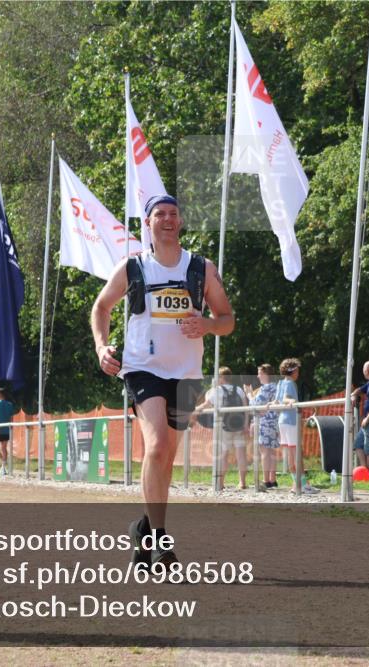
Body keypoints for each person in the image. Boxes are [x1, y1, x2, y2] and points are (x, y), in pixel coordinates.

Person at [91, 194, 233, 568]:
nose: (167, 220)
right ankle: (160, 540)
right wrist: (102, 346)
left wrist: (207, 325)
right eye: (160, 215)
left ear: (180, 222)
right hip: (142, 368)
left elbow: (227, 319)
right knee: (155, 447)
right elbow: (101, 307)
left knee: (167, 457)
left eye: (173, 214)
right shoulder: (133, 267)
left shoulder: (201, 268)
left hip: (185, 374)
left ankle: (143, 528)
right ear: (149, 224)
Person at [195, 367, 250, 491]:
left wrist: (194, 410)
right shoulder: (239, 390)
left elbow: (206, 405)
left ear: (220, 378)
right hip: (239, 425)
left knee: (222, 455)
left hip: (222, 426)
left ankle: (220, 483)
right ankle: (242, 482)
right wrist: (246, 424)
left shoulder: (216, 391)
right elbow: (246, 407)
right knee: (241, 454)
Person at [276, 358, 318, 494]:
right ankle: (303, 485)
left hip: (283, 421)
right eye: (297, 370)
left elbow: (276, 400)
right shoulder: (290, 383)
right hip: (290, 421)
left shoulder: (280, 383)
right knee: (297, 454)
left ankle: (296, 484)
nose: (298, 373)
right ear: (292, 371)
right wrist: (293, 401)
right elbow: (285, 399)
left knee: (290, 454)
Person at [246, 364, 280, 488]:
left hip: (265, 422)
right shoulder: (276, 387)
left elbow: (255, 404)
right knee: (271, 452)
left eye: (259, 373)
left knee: (265, 452)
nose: (258, 375)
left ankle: (266, 481)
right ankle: (273, 479)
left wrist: (249, 394)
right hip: (274, 421)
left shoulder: (266, 388)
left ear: (266, 374)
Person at [0, 388, 15, 476]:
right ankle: (3, 465)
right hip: (6, 430)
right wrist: (11, 427)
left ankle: (0, 466)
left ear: (0, 394)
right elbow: (11, 418)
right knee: (4, 448)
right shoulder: (10, 404)